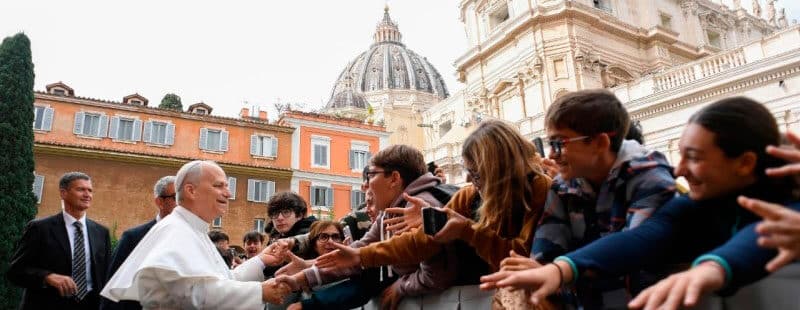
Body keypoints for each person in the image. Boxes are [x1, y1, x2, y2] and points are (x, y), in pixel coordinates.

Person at [481, 97, 800, 309]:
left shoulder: (790, 202)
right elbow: (642, 237)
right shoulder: (694, 206)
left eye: (694, 157)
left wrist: (710, 270)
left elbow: (762, 235)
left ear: (744, 162)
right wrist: (562, 269)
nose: (679, 169)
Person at [312, 120, 554, 309]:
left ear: (499, 169)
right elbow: (421, 241)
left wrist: (468, 231)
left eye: (477, 174)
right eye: (468, 172)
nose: (470, 180)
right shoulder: (468, 196)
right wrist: (359, 255)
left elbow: (522, 258)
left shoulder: (541, 189)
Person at [530, 89, 675, 308]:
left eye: (559, 143)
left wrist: (558, 271)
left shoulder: (651, 179)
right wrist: (535, 270)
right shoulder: (562, 186)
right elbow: (545, 251)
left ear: (600, 143)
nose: (551, 155)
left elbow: (633, 255)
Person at [277, 144, 455, 310]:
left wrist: (402, 286)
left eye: (371, 175)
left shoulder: (419, 207)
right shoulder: (389, 212)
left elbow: (437, 274)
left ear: (394, 178)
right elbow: (355, 254)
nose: (367, 184)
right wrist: (298, 280)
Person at [101, 160, 290, 309]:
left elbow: (222, 281)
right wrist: (259, 292)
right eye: (219, 186)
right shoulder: (175, 230)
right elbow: (192, 294)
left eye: (227, 186)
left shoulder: (194, 229)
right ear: (191, 190)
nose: (228, 193)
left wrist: (261, 260)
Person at [8, 172, 112, 310]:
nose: (87, 195)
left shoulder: (101, 232)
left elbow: (107, 274)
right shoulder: (40, 228)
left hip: (89, 305)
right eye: (81, 189)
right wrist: (47, 277)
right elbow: (15, 271)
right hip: (47, 304)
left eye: (90, 190)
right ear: (63, 193)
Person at [101, 176, 177, 310]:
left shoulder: (194, 239)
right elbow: (113, 288)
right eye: (176, 197)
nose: (182, 203)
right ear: (160, 202)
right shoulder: (134, 237)